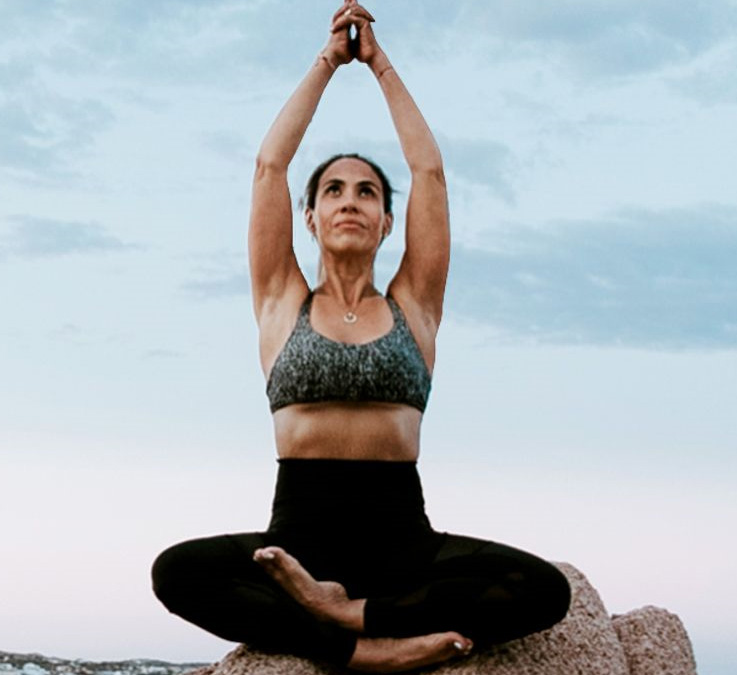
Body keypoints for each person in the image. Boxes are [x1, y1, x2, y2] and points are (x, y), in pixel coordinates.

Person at [151, 2, 571, 671]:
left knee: (547, 589)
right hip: (298, 541)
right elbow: (268, 167)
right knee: (175, 571)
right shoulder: (282, 301)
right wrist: (326, 62)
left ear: (385, 222)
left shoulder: (415, 306)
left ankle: (353, 615)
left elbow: (430, 172)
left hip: (404, 540)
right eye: (335, 190)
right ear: (311, 218)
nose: (351, 199)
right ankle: (360, 650)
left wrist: (377, 62)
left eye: (369, 192)